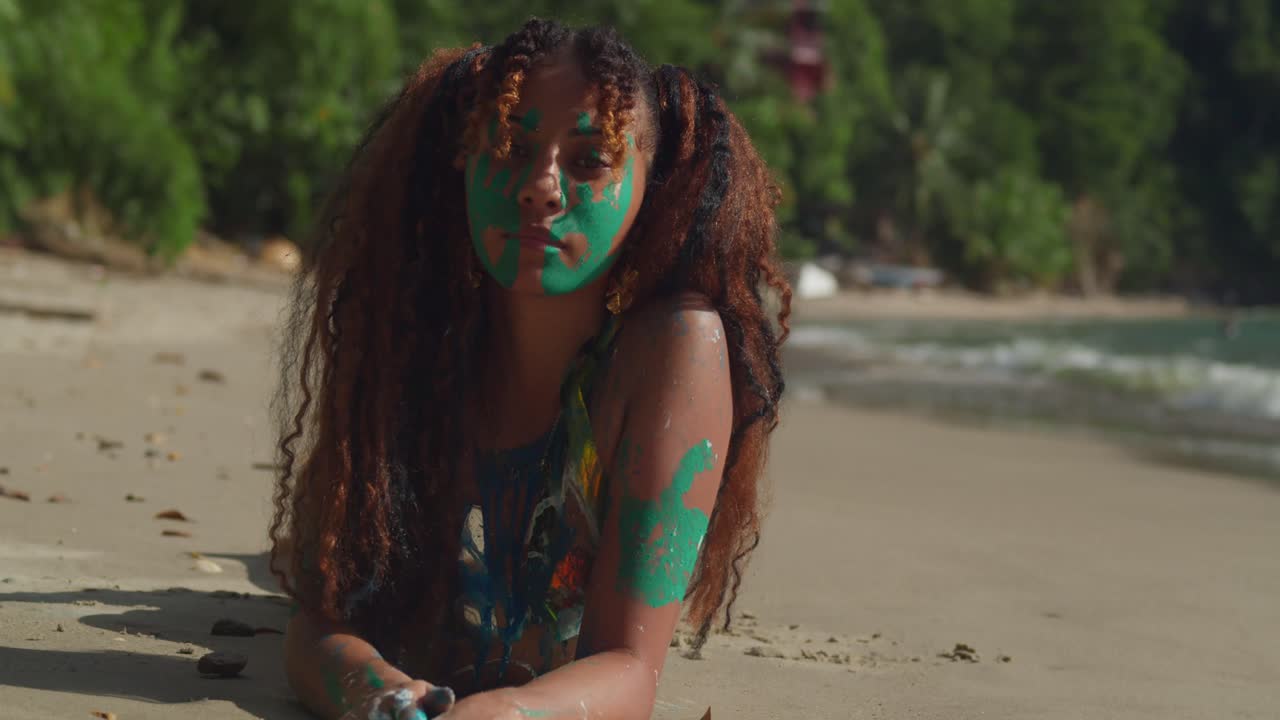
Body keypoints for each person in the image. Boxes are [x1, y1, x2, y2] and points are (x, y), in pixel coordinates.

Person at [269, 18, 790, 720]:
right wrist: (379, 696)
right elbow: (321, 623)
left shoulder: (673, 351)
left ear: (652, 189)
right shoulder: (414, 337)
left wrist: (499, 715)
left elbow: (631, 671)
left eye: (588, 161)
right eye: (512, 147)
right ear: (463, 164)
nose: (541, 186)